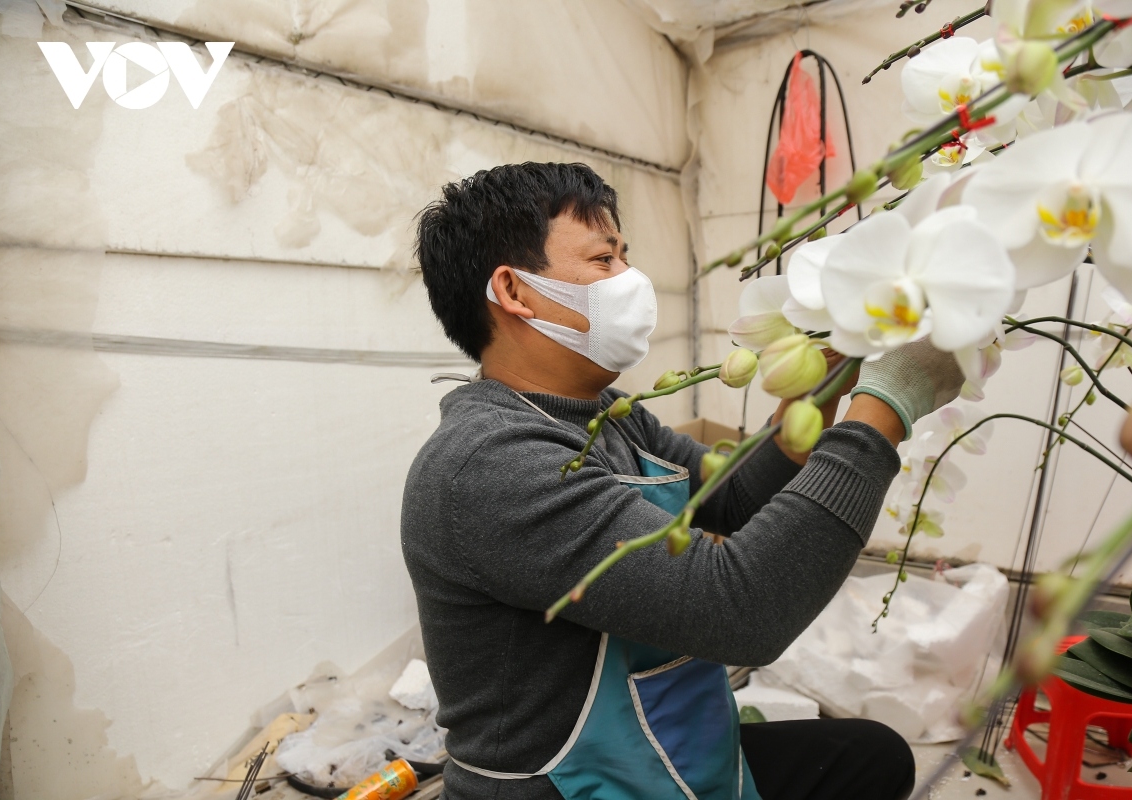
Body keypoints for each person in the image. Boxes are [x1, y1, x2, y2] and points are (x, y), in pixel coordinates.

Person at [403, 162, 963, 800]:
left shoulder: (610, 418)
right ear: (516, 291)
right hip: (581, 786)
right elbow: (740, 610)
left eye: (625, 256)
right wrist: (882, 409)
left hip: (663, 746)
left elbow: (731, 498)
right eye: (602, 259)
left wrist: (816, 391)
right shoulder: (492, 465)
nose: (631, 280)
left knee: (870, 757)